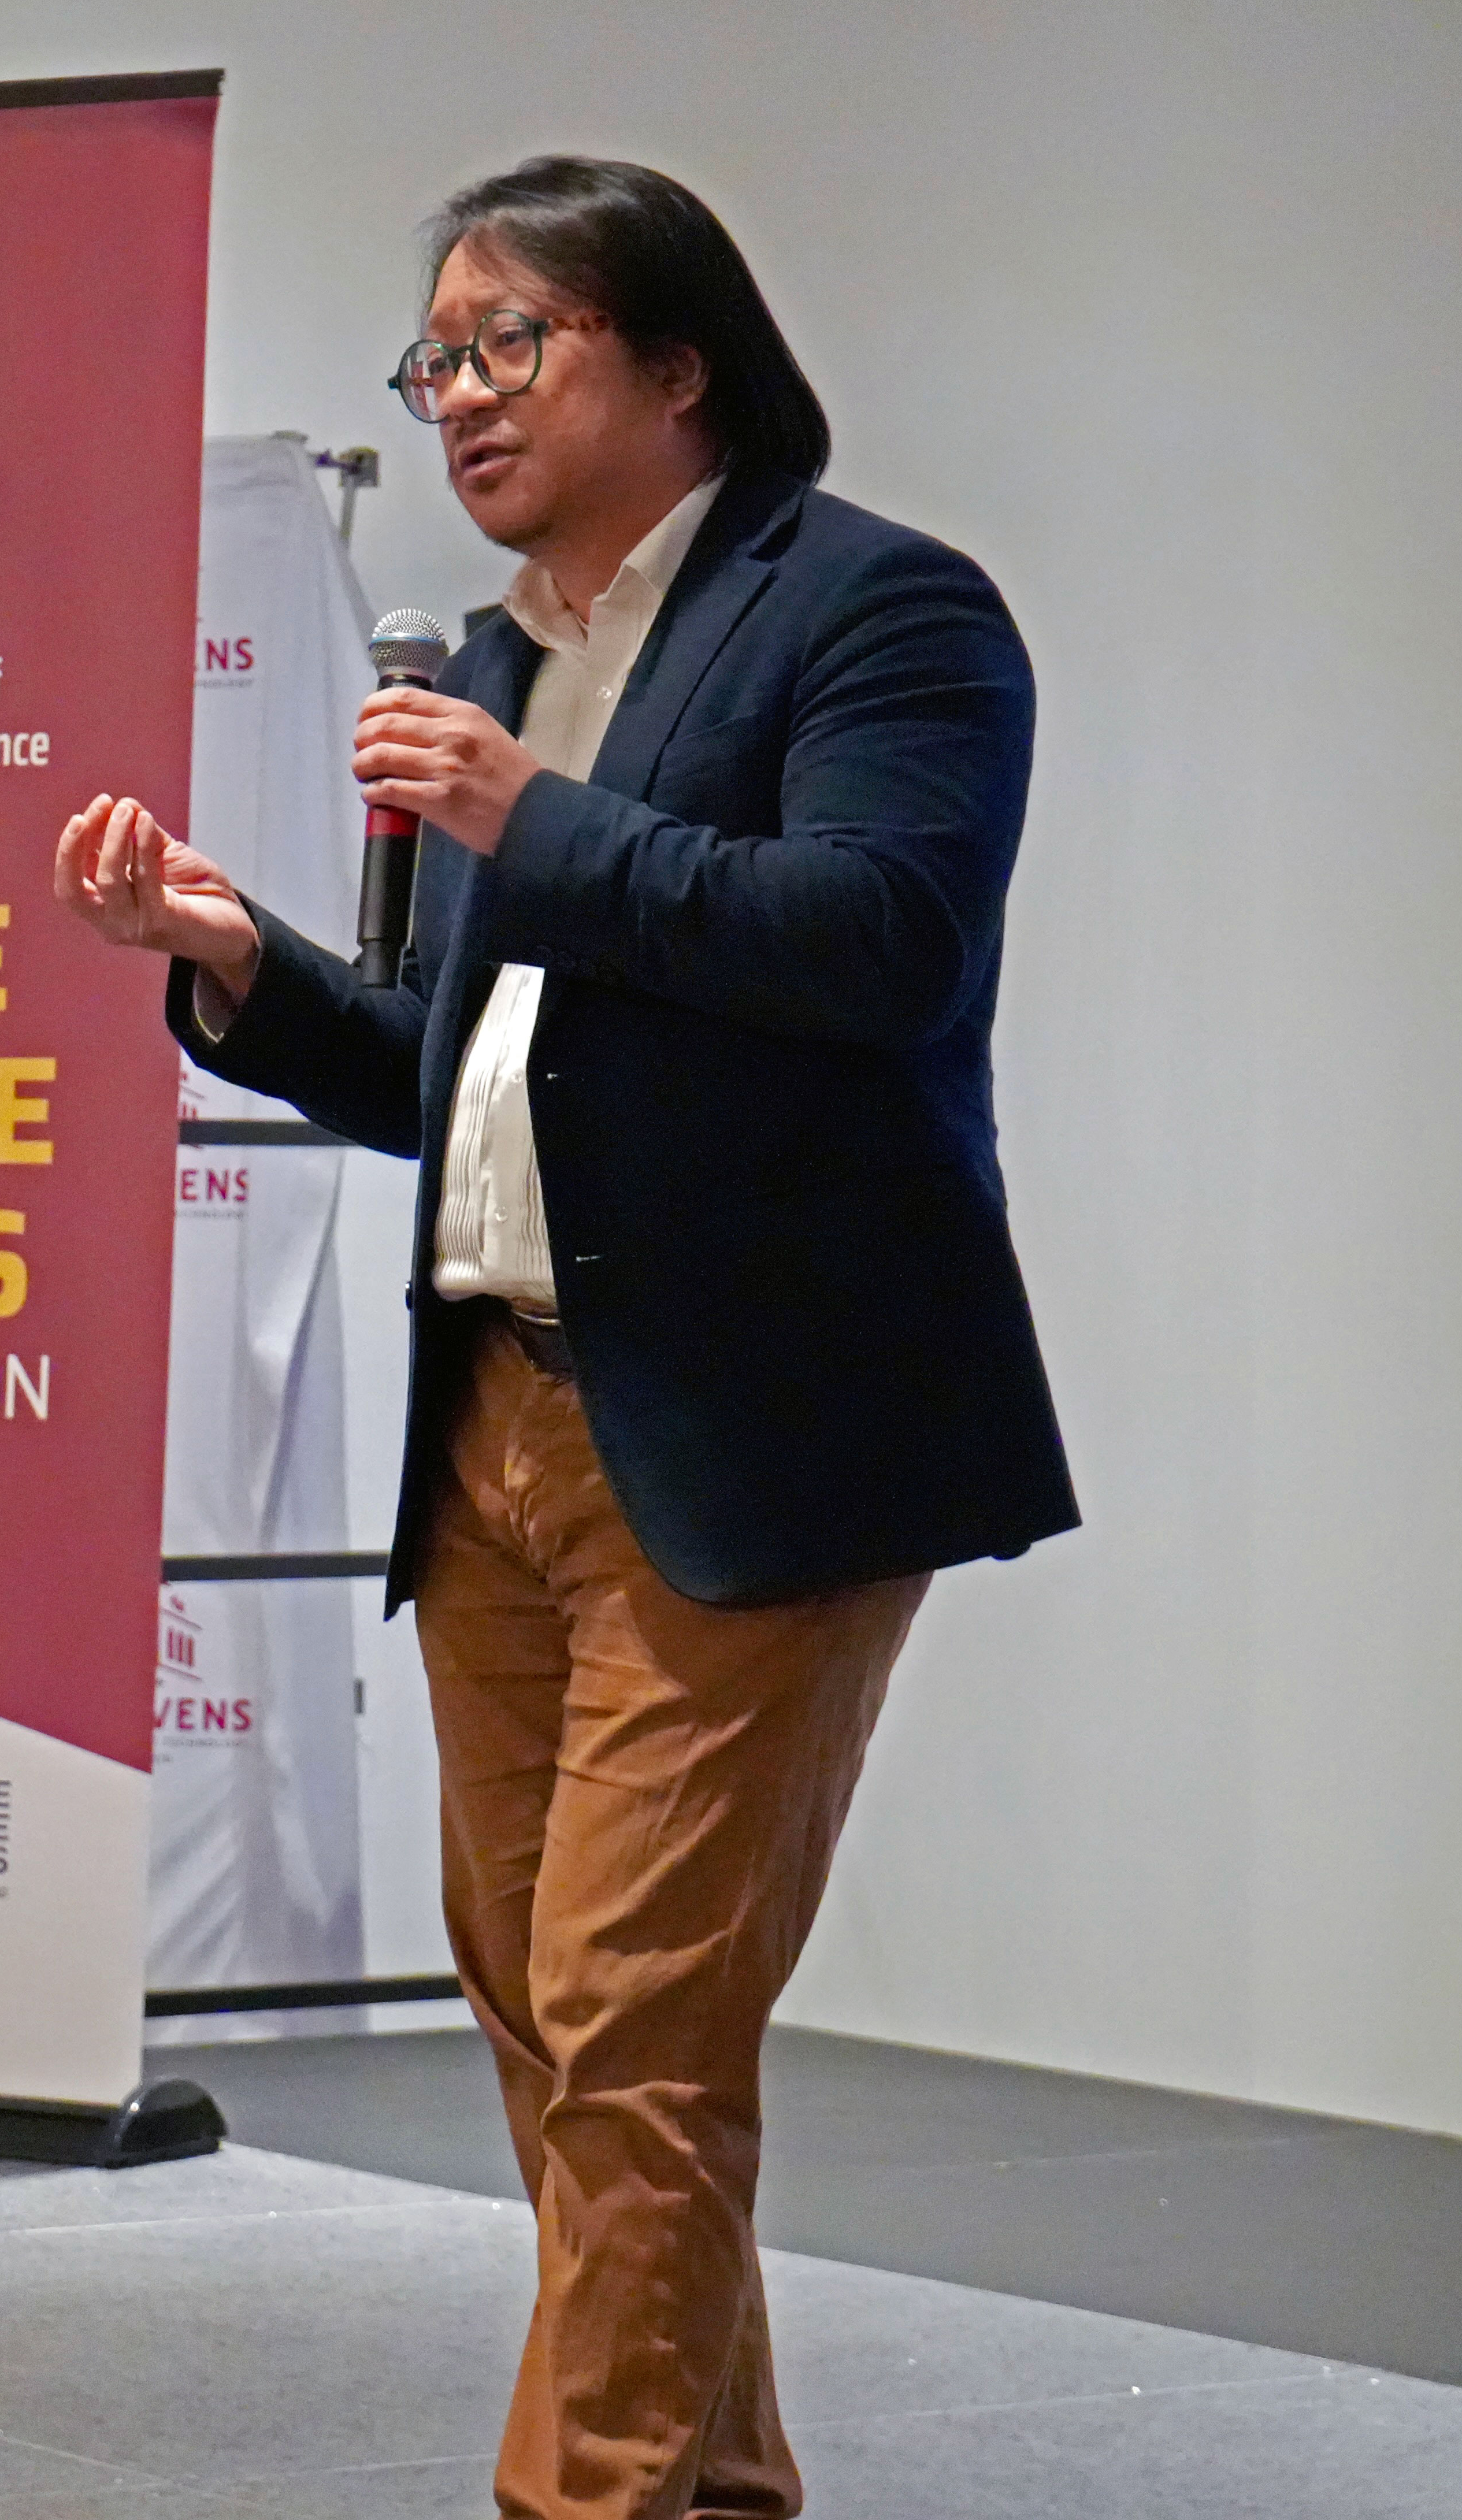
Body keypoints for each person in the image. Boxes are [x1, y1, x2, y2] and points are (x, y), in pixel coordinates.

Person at [54, 155, 1074, 2520]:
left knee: (631, 2014)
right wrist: (230, 960)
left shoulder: (880, 612)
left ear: (672, 356)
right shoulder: (493, 662)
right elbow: (450, 1053)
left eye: (507, 342)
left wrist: (539, 818)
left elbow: (880, 940)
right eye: (432, 359)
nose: (457, 398)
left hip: (751, 1431)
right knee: (548, 2010)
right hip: (497, 1420)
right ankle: (704, 2487)